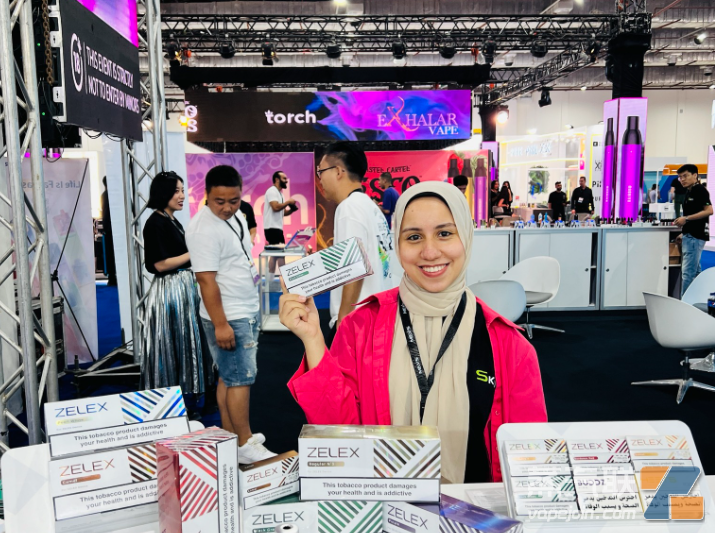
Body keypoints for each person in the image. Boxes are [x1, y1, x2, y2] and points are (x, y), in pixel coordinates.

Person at [280, 181, 546, 483]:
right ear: (398, 244)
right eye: (414, 237)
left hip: (473, 509)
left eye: (444, 233)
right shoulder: (360, 327)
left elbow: (529, 464)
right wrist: (313, 338)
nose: (429, 252)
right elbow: (338, 433)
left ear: (466, 236)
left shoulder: (509, 346)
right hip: (382, 503)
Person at [186, 165, 276, 463]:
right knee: (240, 380)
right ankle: (246, 443)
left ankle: (231, 438)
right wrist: (221, 324)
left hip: (243, 307)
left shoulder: (237, 217)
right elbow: (205, 280)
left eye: (233, 200)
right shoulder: (203, 229)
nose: (226, 207)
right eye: (219, 201)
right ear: (206, 195)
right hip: (229, 315)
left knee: (229, 377)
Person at [140, 171, 209, 398]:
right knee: (174, 343)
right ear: (163, 193)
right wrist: (194, 253)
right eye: (176, 191)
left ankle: (191, 391)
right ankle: (173, 396)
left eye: (182, 190)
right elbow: (160, 264)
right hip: (170, 291)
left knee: (187, 340)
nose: (181, 196)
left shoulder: (170, 219)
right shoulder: (155, 223)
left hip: (182, 287)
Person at [316, 142, 394, 332]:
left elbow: (355, 267)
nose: (320, 179)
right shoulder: (369, 205)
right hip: (376, 315)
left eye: (321, 172)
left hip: (357, 322)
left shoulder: (349, 208)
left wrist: (343, 319)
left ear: (338, 172)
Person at [674, 164, 712, 296]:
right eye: (680, 177)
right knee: (695, 272)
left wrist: (686, 219)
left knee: (688, 273)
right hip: (690, 235)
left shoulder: (699, 190)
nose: (682, 179)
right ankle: (697, 300)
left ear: (695, 175)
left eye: (685, 176)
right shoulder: (689, 191)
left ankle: (685, 303)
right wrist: (683, 232)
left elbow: (709, 211)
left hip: (695, 236)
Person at [263, 171, 297, 275]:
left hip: (276, 228)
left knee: (274, 255)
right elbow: (275, 207)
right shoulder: (272, 191)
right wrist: (288, 202)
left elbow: (282, 212)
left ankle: (270, 279)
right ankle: (284, 279)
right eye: (284, 178)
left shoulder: (280, 194)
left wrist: (292, 210)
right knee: (281, 254)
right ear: (277, 179)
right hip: (272, 228)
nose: (286, 180)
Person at [100, 177, 117, 286]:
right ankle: (113, 277)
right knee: (113, 254)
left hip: (109, 228)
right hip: (114, 228)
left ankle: (112, 278)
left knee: (110, 254)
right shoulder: (114, 194)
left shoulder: (104, 195)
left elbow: (104, 213)